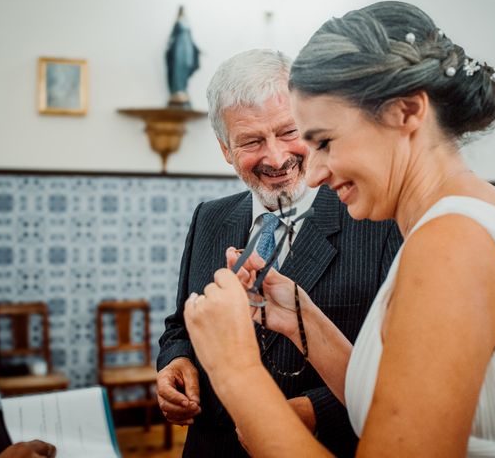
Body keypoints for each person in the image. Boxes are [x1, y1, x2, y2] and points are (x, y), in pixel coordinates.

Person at [182, 2, 495, 457]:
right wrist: (301, 318)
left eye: (324, 141)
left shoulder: (450, 246)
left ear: (406, 112)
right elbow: (412, 405)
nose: (313, 174)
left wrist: (235, 370)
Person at [156, 49, 402, 457]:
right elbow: (182, 321)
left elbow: (397, 371)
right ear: (225, 149)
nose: (275, 157)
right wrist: (174, 361)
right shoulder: (210, 218)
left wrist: (308, 411)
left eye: (288, 132)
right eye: (251, 141)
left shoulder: (375, 221)